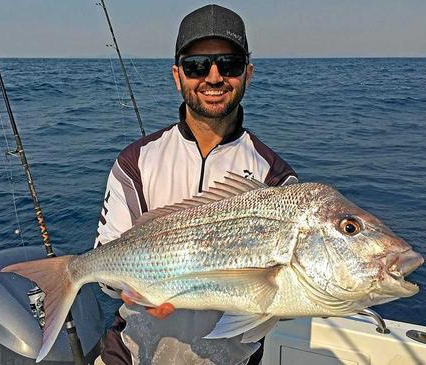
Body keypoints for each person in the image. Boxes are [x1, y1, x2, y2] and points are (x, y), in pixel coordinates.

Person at [93, 4, 297, 364]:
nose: (214, 77)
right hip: (132, 355)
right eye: (197, 66)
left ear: (248, 72)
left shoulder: (275, 178)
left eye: (229, 64)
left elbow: (284, 294)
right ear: (177, 76)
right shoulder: (135, 161)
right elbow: (107, 263)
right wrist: (130, 289)